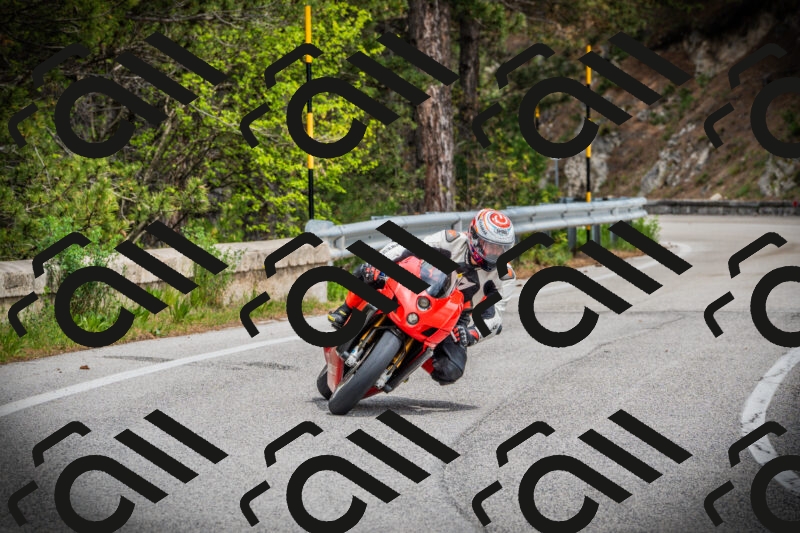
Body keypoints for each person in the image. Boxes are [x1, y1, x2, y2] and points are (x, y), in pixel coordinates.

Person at [327, 208, 517, 385]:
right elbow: (408, 248)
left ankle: (409, 359)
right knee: (367, 271)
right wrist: (379, 265)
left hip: (454, 317)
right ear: (474, 238)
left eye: (501, 249)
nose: (495, 253)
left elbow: (495, 316)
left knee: (451, 371)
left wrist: (471, 334)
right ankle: (346, 309)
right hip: (420, 288)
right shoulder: (450, 240)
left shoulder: (505, 277)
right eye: (490, 246)